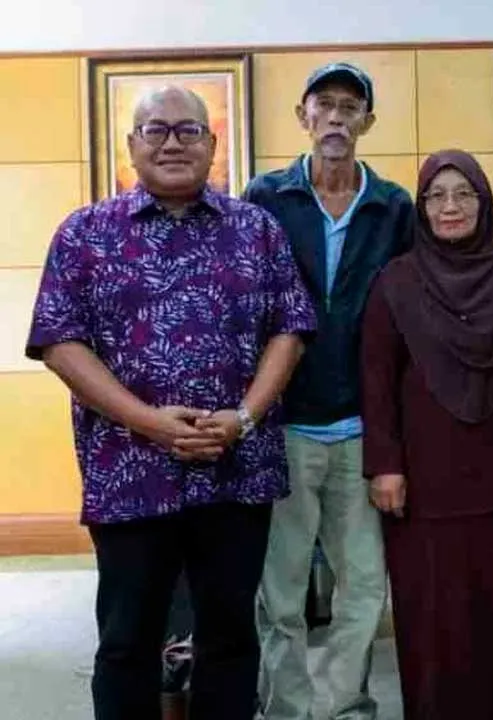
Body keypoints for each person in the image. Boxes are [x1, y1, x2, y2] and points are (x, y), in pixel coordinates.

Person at [24, 86, 315, 720]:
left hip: (238, 470)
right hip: (129, 473)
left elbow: (290, 330)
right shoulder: (85, 232)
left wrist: (243, 417)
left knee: (231, 638)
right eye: (155, 130)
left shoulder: (256, 229)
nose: (172, 143)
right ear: (132, 146)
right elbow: (58, 342)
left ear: (213, 146)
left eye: (188, 130)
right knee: (128, 641)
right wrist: (148, 423)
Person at [244, 62, 415, 720]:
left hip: (361, 427)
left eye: (351, 107)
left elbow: (410, 308)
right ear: (303, 117)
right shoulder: (266, 196)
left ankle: (347, 706)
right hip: (283, 422)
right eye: (325, 105)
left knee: (364, 586)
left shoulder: (395, 206)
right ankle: (286, 708)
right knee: (281, 590)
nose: (337, 118)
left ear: (367, 122)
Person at [360, 149, 493, 720]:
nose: (450, 206)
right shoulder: (397, 280)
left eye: (464, 193)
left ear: (484, 201)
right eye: (435, 195)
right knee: (430, 620)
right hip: (422, 480)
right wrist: (385, 465)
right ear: (420, 208)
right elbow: (376, 379)